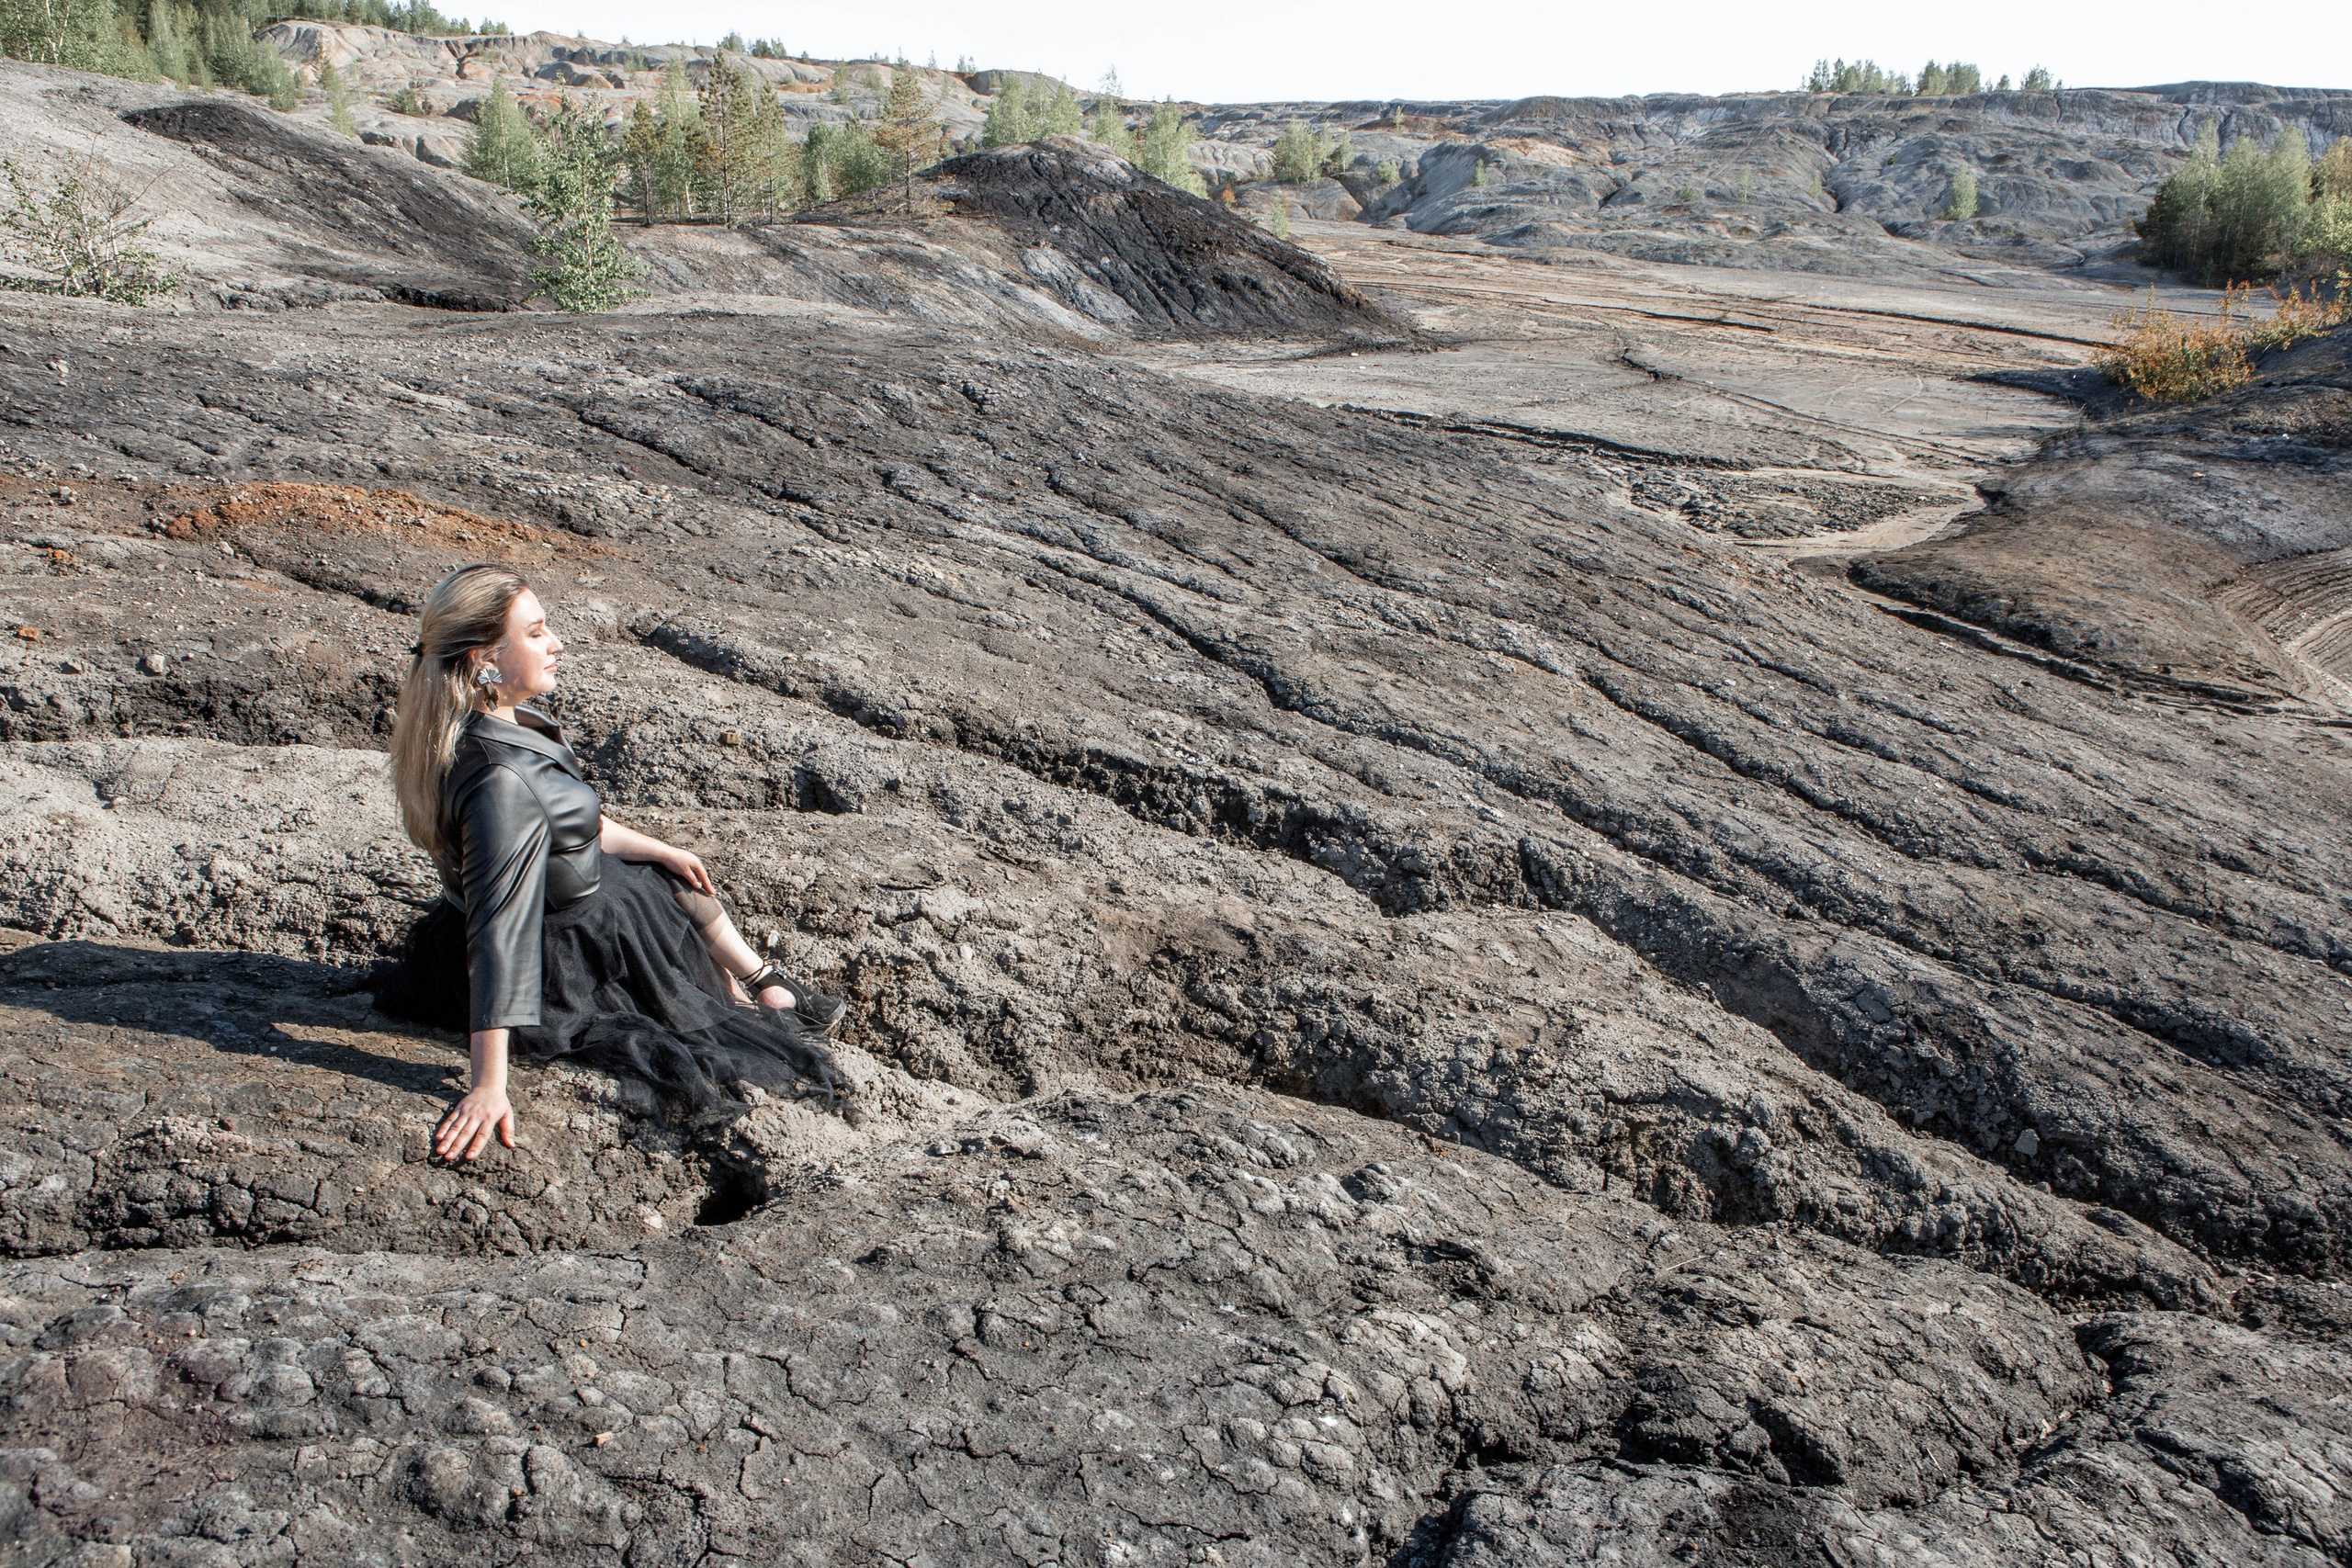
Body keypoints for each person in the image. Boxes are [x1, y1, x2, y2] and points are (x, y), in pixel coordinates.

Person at [370, 563, 844, 1163]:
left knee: (666, 872)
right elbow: (500, 928)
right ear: (483, 659)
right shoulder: (498, 780)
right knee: (684, 994)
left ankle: (761, 981)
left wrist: (656, 846)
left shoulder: (493, 720)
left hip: (562, 893)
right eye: (536, 632)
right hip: (558, 955)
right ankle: (753, 995)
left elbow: (566, 818)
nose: (556, 643)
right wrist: (488, 1082)